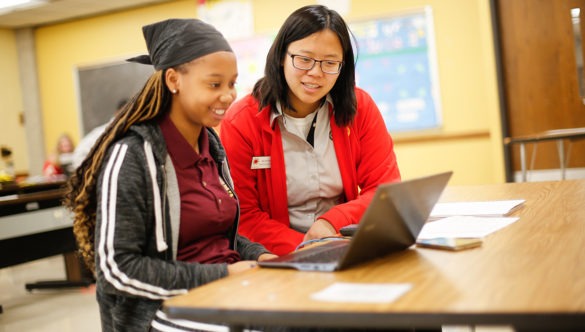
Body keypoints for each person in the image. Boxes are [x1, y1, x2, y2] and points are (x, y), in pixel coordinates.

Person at [63, 18, 276, 332]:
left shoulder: (211, 145)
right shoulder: (132, 156)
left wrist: (262, 256)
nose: (228, 96)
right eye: (214, 84)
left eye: (232, 84)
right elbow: (116, 268)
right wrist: (223, 275)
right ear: (174, 80)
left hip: (225, 292)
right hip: (160, 310)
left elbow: (217, 236)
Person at [220, 5, 402, 256]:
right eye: (304, 59)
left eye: (330, 63)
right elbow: (245, 216)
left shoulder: (360, 108)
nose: (316, 73)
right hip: (277, 255)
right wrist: (311, 249)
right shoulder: (242, 121)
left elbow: (385, 191)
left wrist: (331, 222)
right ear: (281, 56)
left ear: (343, 66)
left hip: (345, 245)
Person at [71, 98, 128, 169]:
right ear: (117, 113)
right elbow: (79, 156)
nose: (127, 116)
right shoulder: (102, 132)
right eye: (124, 112)